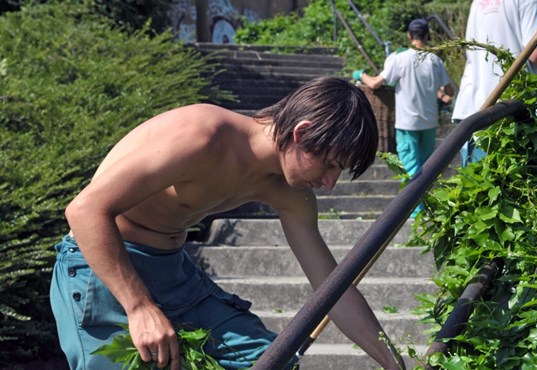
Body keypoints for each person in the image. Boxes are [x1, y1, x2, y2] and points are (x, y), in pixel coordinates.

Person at [49, 77, 404, 370]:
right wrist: (140, 308)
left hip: (175, 274)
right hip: (102, 265)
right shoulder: (203, 137)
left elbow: (333, 290)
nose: (330, 183)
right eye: (330, 164)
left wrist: (396, 364)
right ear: (301, 132)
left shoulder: (290, 193)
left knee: (271, 362)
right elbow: (84, 210)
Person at [451, 0, 537, 166]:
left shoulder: (477, 2)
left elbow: (480, 53)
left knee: (475, 184)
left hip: (472, 110)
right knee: (509, 185)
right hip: (507, 115)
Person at [354, 18, 456, 218]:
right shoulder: (435, 60)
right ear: (427, 36)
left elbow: (374, 84)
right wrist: (439, 95)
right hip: (429, 122)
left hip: (407, 123)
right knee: (426, 170)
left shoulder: (400, 59)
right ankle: (424, 209)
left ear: (409, 36)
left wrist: (359, 74)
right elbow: (450, 90)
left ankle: (414, 214)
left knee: (411, 169)